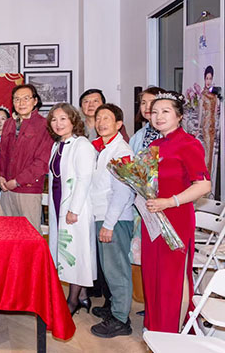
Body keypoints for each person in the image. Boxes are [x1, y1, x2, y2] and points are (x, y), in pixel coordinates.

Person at [143, 92, 211, 332]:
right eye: (154, 112)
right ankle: (156, 328)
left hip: (176, 217)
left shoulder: (188, 144)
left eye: (165, 111)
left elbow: (203, 185)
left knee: (173, 278)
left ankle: (173, 331)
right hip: (153, 218)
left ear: (179, 116)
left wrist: (170, 202)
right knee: (153, 275)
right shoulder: (154, 145)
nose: (158, 116)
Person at [89, 104, 135, 338]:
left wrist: (109, 225)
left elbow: (123, 191)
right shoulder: (104, 148)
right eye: (98, 118)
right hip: (104, 216)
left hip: (115, 219)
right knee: (109, 269)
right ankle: (115, 309)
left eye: (107, 118)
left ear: (119, 124)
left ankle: (120, 320)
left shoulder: (121, 150)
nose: (101, 122)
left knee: (117, 270)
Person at [46, 103, 96, 316]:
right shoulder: (57, 145)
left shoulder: (82, 144)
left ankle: (73, 300)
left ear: (73, 120)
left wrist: (74, 209)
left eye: (63, 119)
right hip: (58, 204)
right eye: (54, 119)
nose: (58, 124)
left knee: (75, 253)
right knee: (66, 252)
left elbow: (84, 179)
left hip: (75, 209)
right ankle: (83, 296)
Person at [0, 84, 53, 232]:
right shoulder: (9, 123)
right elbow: (1, 152)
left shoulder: (44, 125)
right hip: (7, 189)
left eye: (26, 98)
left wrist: (17, 181)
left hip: (28, 190)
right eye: (17, 99)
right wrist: (0, 176)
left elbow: (42, 162)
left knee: (30, 234)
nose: (21, 103)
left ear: (35, 101)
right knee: (8, 233)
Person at [128, 86, 165, 267]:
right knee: (140, 251)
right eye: (143, 103)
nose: (147, 107)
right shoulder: (138, 136)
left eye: (152, 102)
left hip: (164, 200)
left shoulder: (168, 133)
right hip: (140, 200)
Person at [198, 66, 220, 185]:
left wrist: (217, 126)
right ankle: (205, 182)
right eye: (206, 78)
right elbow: (200, 113)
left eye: (210, 78)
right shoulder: (203, 95)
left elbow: (216, 112)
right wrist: (198, 128)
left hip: (213, 127)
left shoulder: (215, 95)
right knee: (206, 153)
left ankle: (209, 181)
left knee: (211, 153)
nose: (208, 81)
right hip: (206, 127)